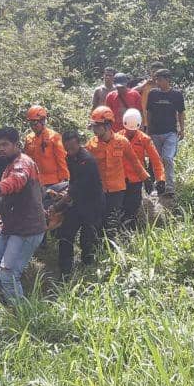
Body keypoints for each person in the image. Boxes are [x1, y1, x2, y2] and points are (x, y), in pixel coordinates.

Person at [0, 127, 47, 302]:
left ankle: (21, 314)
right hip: (10, 226)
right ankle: (8, 299)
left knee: (8, 274)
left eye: (5, 144)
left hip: (28, 229)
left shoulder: (23, 163)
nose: (0, 149)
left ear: (17, 145)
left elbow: (16, 181)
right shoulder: (8, 165)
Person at [85, 106, 149, 235]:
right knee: (98, 221)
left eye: (97, 126)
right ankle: (98, 248)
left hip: (117, 190)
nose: (94, 129)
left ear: (108, 126)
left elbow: (135, 161)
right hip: (99, 190)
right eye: (93, 126)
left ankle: (112, 249)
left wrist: (146, 178)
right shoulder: (91, 145)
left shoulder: (122, 142)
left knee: (112, 221)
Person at [55, 131, 104, 276]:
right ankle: (65, 271)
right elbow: (73, 182)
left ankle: (88, 270)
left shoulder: (87, 161)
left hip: (92, 203)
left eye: (72, 148)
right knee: (65, 234)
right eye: (66, 148)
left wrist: (58, 205)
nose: (69, 151)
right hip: (78, 202)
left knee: (87, 239)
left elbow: (77, 189)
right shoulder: (69, 157)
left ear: (79, 144)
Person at [120, 109, 165, 228]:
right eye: (128, 129)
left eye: (133, 130)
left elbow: (156, 161)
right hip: (119, 179)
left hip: (136, 179)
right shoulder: (117, 137)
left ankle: (130, 233)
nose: (130, 132)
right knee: (119, 208)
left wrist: (160, 179)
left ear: (139, 126)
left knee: (132, 208)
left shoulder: (145, 139)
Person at [146, 68, 186, 197]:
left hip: (170, 132)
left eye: (160, 79)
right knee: (156, 160)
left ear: (168, 79)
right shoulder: (153, 94)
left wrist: (182, 129)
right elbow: (149, 112)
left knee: (167, 158)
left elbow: (181, 112)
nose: (158, 82)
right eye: (156, 79)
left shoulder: (176, 95)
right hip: (155, 132)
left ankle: (170, 187)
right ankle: (158, 185)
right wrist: (147, 129)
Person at [23, 105, 69, 200]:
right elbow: (27, 161)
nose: (33, 126)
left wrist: (65, 180)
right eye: (31, 123)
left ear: (43, 121)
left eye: (36, 123)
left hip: (54, 182)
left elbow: (62, 160)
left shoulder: (54, 137)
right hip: (36, 182)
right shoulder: (29, 139)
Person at [135, 61, 166, 131]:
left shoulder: (165, 85)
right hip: (145, 122)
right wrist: (144, 84)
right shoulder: (145, 84)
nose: (155, 74)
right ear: (150, 72)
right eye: (153, 71)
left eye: (158, 72)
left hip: (162, 122)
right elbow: (131, 92)